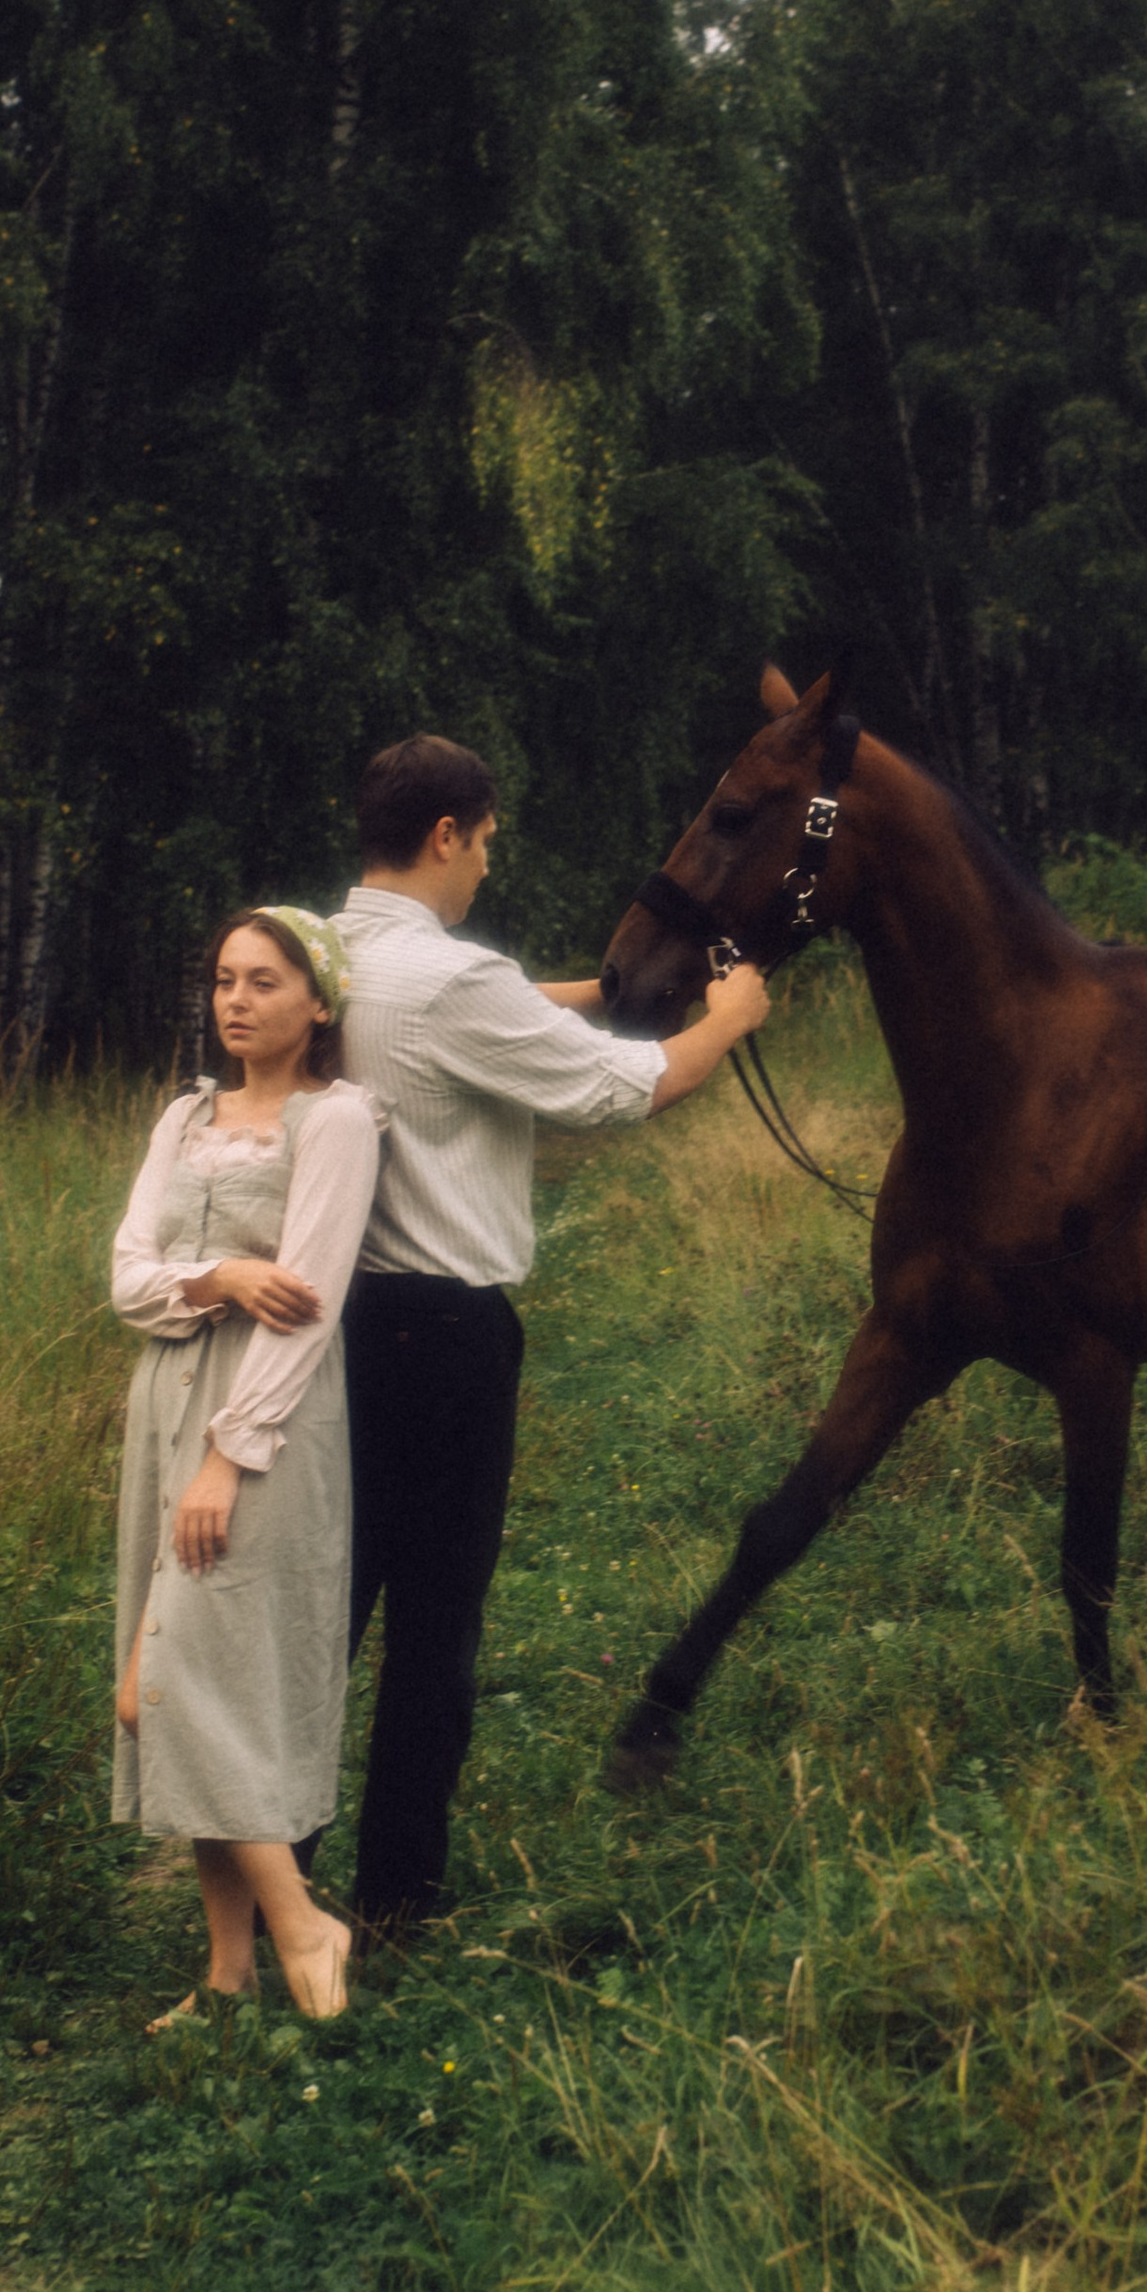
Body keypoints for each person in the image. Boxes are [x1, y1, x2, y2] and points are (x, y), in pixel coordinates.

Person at [332, 734, 769, 1935]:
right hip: (447, 1330)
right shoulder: (452, 982)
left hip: (346, 1323)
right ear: (445, 835)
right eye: (484, 843)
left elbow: (494, 1011)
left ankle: (266, 1859)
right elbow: (623, 1090)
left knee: (331, 1599)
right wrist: (725, 1018)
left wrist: (610, 986)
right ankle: (396, 1894)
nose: (483, 866)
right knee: (433, 1620)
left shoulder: (330, 951)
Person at [110, 906, 379, 2024]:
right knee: (173, 1677)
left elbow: (307, 1299)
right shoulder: (184, 1117)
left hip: (264, 1421)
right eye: (225, 978)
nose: (236, 1000)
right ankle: (227, 1976)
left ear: (318, 1003)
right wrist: (219, 1272)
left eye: (265, 981)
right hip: (163, 1401)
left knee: (179, 1680)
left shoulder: (339, 1118)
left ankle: (303, 1917)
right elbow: (129, 1279)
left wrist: (228, 1454)